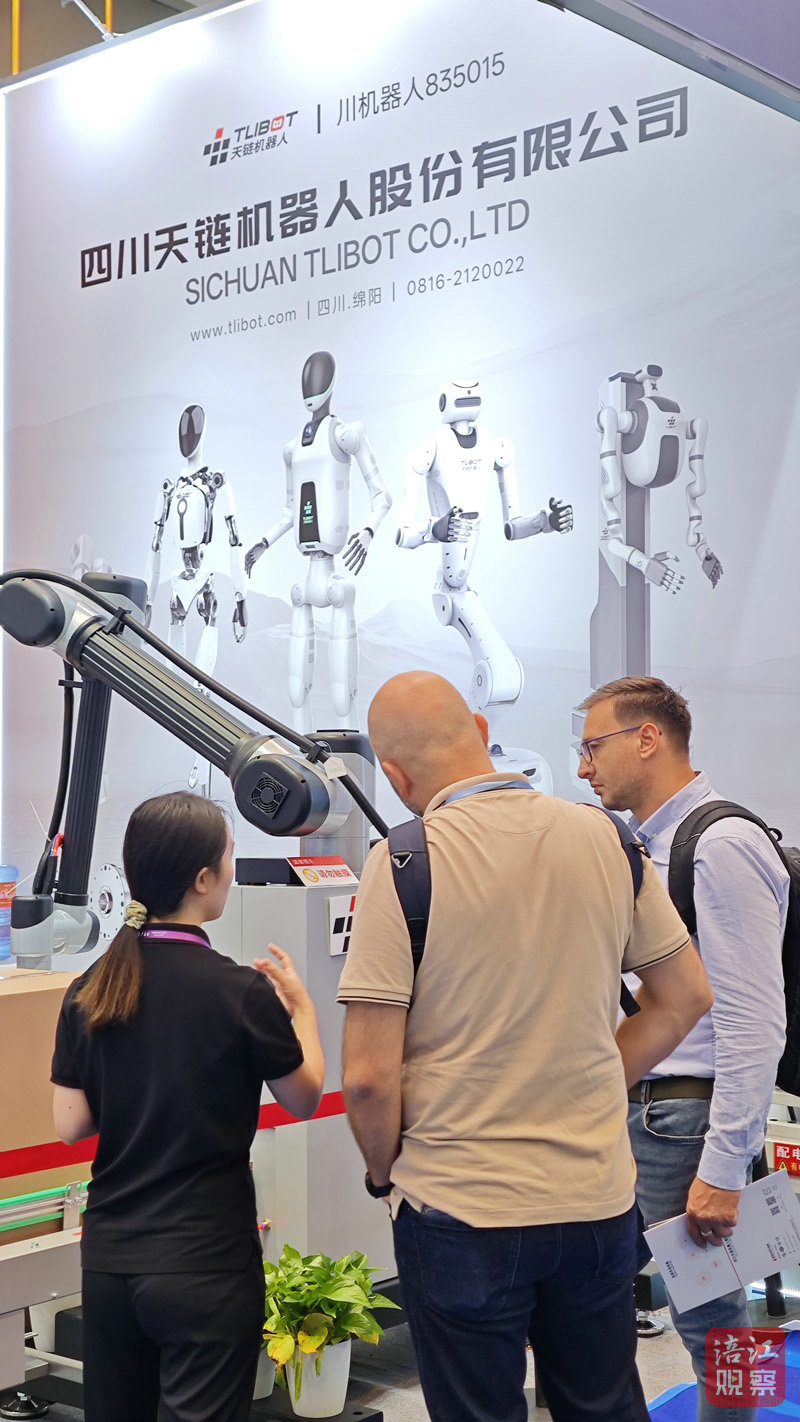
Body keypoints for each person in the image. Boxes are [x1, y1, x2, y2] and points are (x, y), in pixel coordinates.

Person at [337, 671, 713, 1422]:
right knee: (602, 1405)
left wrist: (383, 1176)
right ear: (481, 730)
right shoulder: (608, 839)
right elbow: (685, 999)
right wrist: (599, 1078)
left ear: (397, 777)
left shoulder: (404, 861)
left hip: (459, 1205)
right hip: (595, 1202)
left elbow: (369, 1079)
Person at [50, 791, 325, 1422]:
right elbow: (304, 1097)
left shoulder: (90, 988)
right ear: (203, 879)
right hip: (205, 1263)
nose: (232, 868)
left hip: (111, 1260)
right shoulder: (239, 990)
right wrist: (304, 1012)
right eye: (229, 855)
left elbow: (71, 1125)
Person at [578, 676, 789, 1422]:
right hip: (643, 1115)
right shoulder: (647, 844)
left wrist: (724, 1169)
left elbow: (755, 1021)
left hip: (687, 1124)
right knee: (617, 1305)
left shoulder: (720, 845)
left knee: (717, 1332)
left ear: (647, 738)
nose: (582, 767)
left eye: (593, 746)